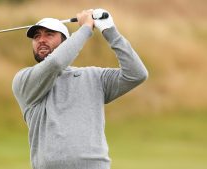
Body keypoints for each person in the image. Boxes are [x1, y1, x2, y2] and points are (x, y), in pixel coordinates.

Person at [12, 9, 148, 169]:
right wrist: (85, 29)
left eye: (49, 34)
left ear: (66, 42)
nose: (41, 40)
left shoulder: (93, 76)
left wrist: (109, 30)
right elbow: (55, 63)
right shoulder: (24, 80)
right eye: (36, 36)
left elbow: (136, 74)